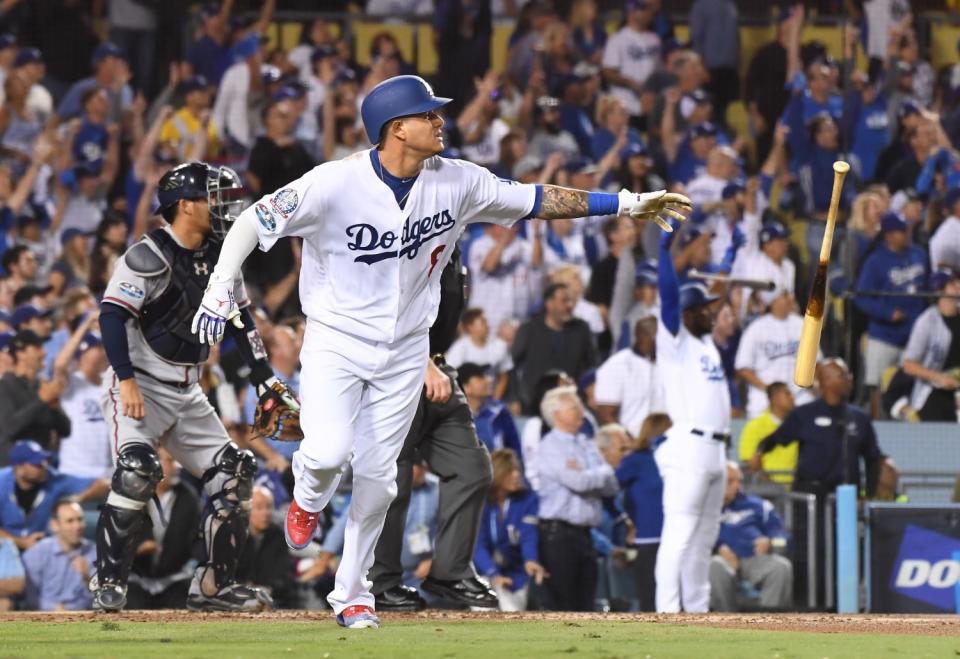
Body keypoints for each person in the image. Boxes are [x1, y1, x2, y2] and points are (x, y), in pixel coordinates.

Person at [191, 75, 690, 628]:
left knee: (380, 480)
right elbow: (250, 222)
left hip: (406, 349)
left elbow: (536, 199)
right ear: (395, 127)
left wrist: (625, 203)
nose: (440, 121)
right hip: (336, 341)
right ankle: (307, 498)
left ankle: (353, 594)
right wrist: (218, 289)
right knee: (328, 452)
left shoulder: (459, 180)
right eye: (428, 115)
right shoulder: (333, 184)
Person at [90, 162, 289, 614]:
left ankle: (214, 588)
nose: (222, 206)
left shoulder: (224, 253)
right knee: (138, 469)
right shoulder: (149, 253)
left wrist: (265, 380)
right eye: (212, 198)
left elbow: (240, 319)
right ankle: (108, 580)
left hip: (189, 388)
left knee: (234, 472)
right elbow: (111, 314)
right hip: (140, 383)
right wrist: (125, 379)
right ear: (184, 206)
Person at [370, 247, 499, 613]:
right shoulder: (414, 232)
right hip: (397, 371)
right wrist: (422, 362)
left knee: (472, 467)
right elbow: (389, 307)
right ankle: (379, 583)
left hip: (438, 371)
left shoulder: (456, 243)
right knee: (394, 479)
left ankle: (450, 572)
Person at [750, 358, 883, 607]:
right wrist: (759, 452)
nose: (849, 380)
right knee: (809, 552)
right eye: (842, 376)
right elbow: (777, 438)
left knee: (845, 550)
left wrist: (868, 495)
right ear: (824, 381)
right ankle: (808, 604)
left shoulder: (858, 418)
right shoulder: (803, 414)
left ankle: (841, 605)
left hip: (845, 499)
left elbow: (873, 459)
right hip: (810, 498)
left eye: (848, 376)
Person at [653, 218, 731, 614]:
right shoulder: (675, 341)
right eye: (702, 309)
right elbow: (668, 296)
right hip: (688, 446)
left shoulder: (706, 345)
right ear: (688, 313)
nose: (709, 313)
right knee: (679, 535)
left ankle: (697, 613)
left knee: (703, 539)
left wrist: (730, 259)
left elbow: (718, 299)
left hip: (715, 451)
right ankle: (667, 613)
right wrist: (665, 252)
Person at [535, 386, 618, 611]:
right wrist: (598, 473)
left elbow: (612, 485)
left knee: (586, 604)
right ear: (557, 414)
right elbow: (578, 482)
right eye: (574, 406)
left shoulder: (586, 442)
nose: (581, 410)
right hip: (558, 535)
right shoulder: (549, 445)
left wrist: (590, 474)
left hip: (585, 534)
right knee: (564, 605)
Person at [854, 212, 928, 418]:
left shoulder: (919, 254)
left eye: (906, 229)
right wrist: (886, 313)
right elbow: (861, 297)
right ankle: (878, 429)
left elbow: (928, 289)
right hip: (883, 336)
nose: (906, 234)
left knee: (910, 388)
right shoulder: (875, 262)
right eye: (900, 231)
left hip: (913, 337)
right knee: (876, 386)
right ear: (888, 235)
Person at [709, 462, 792, 612]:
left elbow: (784, 537)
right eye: (730, 481)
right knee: (715, 566)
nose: (736, 486)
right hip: (722, 558)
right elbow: (693, 539)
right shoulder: (703, 508)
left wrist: (771, 542)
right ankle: (726, 625)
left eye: (738, 481)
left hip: (755, 558)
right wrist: (718, 547)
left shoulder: (758, 506)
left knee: (781, 566)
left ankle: (771, 627)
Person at [126, 448, 202, 610]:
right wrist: (136, 550)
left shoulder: (189, 497)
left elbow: (197, 542)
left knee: (188, 599)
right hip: (136, 579)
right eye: (169, 460)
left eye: (176, 461)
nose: (177, 466)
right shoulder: (130, 495)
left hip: (175, 579)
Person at [0, 440, 107, 548]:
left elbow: (103, 484)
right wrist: (22, 542)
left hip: (44, 546)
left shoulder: (54, 478)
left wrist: (78, 499)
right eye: (37, 464)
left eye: (44, 461)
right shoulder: (2, 482)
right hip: (7, 546)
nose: (44, 466)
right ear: (19, 469)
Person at [474, 448, 544, 612]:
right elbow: (478, 544)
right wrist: (493, 574)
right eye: (509, 471)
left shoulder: (527, 498)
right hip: (483, 571)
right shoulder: (480, 500)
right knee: (483, 612)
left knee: (512, 612)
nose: (516, 475)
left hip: (515, 572)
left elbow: (528, 534)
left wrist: (530, 559)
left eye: (517, 469)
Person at [513, 282, 598, 415]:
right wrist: (515, 398)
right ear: (549, 303)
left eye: (571, 301)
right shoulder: (530, 329)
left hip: (569, 402)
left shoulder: (581, 329)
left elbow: (591, 364)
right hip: (533, 403)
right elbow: (511, 365)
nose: (569, 306)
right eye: (564, 301)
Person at [616, 412, 668, 612]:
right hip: (649, 540)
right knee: (650, 602)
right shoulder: (637, 460)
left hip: (677, 539)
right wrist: (624, 520)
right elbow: (609, 490)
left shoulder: (680, 459)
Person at [734, 289, 812, 419]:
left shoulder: (802, 324)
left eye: (790, 295)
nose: (790, 299)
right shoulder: (756, 328)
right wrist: (770, 390)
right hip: (764, 398)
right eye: (784, 295)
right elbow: (742, 368)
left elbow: (817, 361)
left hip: (800, 396)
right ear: (773, 301)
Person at [0, 330, 71, 464]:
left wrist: (54, 408)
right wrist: (41, 401)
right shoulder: (4, 386)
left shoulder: (43, 386)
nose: (44, 353)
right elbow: (8, 428)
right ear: (21, 354)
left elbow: (66, 430)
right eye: (37, 348)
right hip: (13, 469)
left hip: (42, 467)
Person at [902, 270, 960, 422]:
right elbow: (909, 364)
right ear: (940, 289)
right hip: (934, 391)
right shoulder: (927, 321)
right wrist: (939, 378)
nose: (958, 286)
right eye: (953, 284)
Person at [21, 499, 97, 611]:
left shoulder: (95, 552)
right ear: (55, 525)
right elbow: (29, 596)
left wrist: (88, 578)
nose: (77, 526)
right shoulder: (38, 552)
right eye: (70, 521)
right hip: (43, 617)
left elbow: (101, 599)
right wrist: (54, 609)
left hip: (83, 617)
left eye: (80, 519)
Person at [595, 315, 661, 439]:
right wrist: (629, 443)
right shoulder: (616, 365)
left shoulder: (669, 363)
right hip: (631, 443)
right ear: (642, 336)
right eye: (657, 337)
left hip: (667, 443)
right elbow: (606, 415)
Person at [236, 487, 298, 609]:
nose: (265, 513)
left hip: (273, 599)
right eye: (259, 507)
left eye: (268, 507)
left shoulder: (278, 536)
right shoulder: (236, 536)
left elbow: (284, 576)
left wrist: (268, 589)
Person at [445, 308, 513, 400]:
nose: (487, 325)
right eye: (483, 322)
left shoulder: (499, 346)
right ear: (470, 327)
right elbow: (451, 377)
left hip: (492, 396)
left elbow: (503, 377)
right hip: (467, 398)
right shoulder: (459, 348)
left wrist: (495, 400)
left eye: (486, 321)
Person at [460, 362, 523, 461]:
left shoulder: (499, 411)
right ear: (465, 387)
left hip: (500, 472)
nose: (488, 380)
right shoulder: (453, 418)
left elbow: (515, 448)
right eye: (480, 378)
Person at [738, 383, 797, 486]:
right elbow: (749, 462)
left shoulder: (798, 426)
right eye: (787, 394)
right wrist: (771, 486)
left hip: (796, 486)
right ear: (774, 399)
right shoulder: (754, 426)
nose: (792, 398)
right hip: (767, 490)